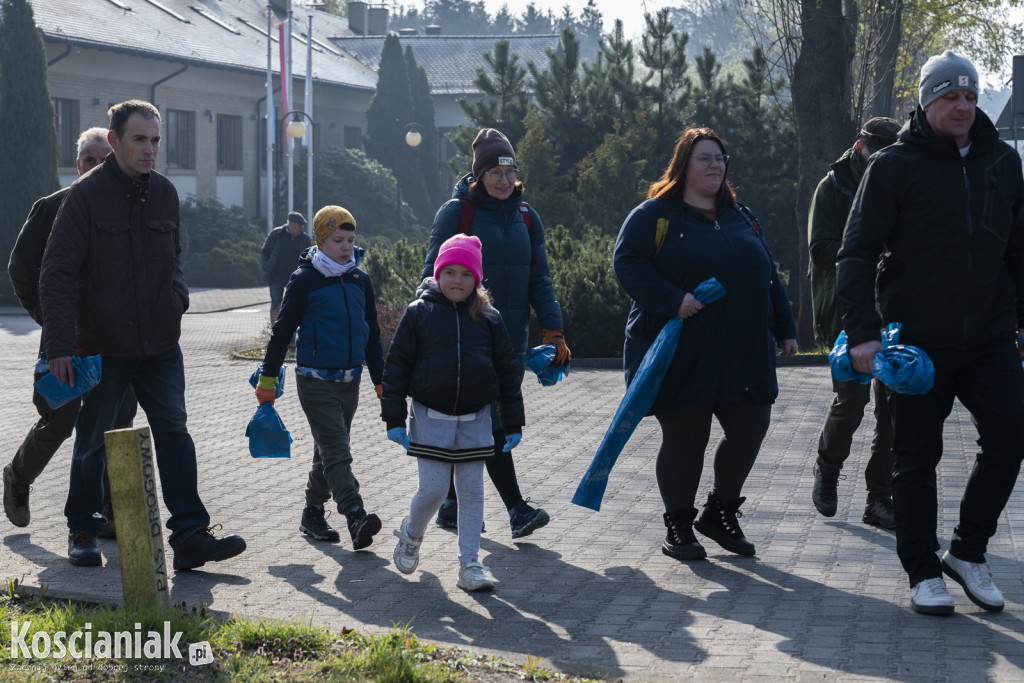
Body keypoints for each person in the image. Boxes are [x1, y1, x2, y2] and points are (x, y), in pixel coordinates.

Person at [837, 51, 1024, 616]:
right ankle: (923, 570)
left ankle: (967, 552)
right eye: (950, 96)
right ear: (927, 101)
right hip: (917, 340)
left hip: (990, 331)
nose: (963, 106)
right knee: (916, 454)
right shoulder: (893, 166)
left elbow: (1018, 249)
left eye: (969, 95)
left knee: (1013, 434)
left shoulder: (1003, 162)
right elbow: (856, 253)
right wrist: (864, 335)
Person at [39, 100, 246, 570]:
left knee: (174, 431)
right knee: (93, 438)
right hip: (104, 345)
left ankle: (190, 536)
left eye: (156, 140)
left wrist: (177, 297)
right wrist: (60, 346)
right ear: (114, 141)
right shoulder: (84, 198)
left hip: (159, 344)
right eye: (140, 139)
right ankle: (83, 530)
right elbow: (55, 273)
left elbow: (173, 254)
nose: (150, 149)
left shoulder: (167, 194)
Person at [613, 127, 798, 562]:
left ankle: (719, 510)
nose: (715, 165)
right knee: (686, 437)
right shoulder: (655, 215)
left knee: (752, 426)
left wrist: (785, 328)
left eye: (720, 158)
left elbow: (767, 273)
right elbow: (627, 263)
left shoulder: (742, 216)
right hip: (683, 352)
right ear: (683, 165)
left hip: (743, 350)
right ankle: (679, 525)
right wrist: (674, 300)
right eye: (704, 158)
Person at [421, 128, 569, 539]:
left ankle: (451, 505)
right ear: (479, 175)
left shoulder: (526, 216)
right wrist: (430, 327)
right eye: (494, 172)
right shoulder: (457, 213)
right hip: (464, 335)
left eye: (510, 171)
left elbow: (540, 277)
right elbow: (429, 274)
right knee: (491, 420)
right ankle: (517, 509)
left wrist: (553, 328)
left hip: (511, 338)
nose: (504, 180)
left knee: (475, 419)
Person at [5, 127, 137, 536]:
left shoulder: (128, 206)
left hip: (116, 340)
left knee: (118, 419)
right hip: (66, 339)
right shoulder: (52, 207)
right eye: (89, 161)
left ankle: (108, 509)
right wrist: (48, 316)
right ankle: (18, 476)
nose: (96, 168)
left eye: (104, 160)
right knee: (61, 420)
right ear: (78, 165)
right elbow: (21, 268)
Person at [384, 234, 524, 592]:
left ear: (476, 279)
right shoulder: (419, 313)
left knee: (472, 492)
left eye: (465, 274)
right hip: (431, 416)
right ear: (438, 274)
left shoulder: (489, 318)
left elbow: (507, 371)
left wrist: (512, 421)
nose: (457, 280)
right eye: (450, 272)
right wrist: (395, 418)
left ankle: (470, 564)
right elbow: (397, 365)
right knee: (432, 490)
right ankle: (411, 535)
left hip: (476, 418)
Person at [254, 205, 386, 551]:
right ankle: (355, 514)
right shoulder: (306, 279)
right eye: (337, 240)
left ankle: (312, 512)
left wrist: (381, 381)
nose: (345, 247)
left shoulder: (360, 279)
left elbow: (371, 334)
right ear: (321, 240)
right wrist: (267, 379)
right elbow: (282, 332)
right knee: (338, 452)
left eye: (350, 239)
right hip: (314, 381)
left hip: (351, 381)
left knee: (326, 452)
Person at [808, 117, 901, 530]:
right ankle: (827, 470)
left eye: (890, 149)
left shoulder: (902, 178)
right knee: (852, 402)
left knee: (893, 410)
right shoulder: (832, 187)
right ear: (860, 146)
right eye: (877, 149)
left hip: (894, 309)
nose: (883, 156)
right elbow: (819, 250)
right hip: (846, 307)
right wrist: (866, 247)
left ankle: (879, 497)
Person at [261, 211, 310, 322]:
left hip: (295, 277)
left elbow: (309, 258)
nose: (302, 229)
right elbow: (265, 252)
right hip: (276, 276)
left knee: (293, 301)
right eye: (299, 226)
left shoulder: (304, 239)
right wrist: (266, 266)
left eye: (302, 226)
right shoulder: (276, 234)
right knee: (276, 301)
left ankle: (291, 328)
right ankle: (274, 327)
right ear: (291, 224)